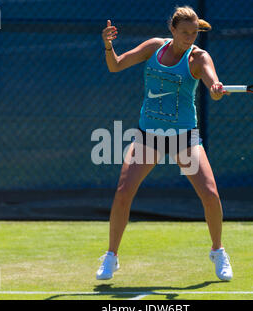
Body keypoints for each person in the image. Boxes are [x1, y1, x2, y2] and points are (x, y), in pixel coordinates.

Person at [97, 6, 233, 281]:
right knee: (123, 192)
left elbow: (213, 85)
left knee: (210, 195)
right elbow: (116, 65)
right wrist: (108, 46)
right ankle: (111, 256)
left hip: (184, 138)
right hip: (149, 136)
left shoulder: (198, 58)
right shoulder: (154, 48)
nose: (190, 38)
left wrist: (216, 88)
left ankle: (218, 251)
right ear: (172, 30)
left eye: (194, 33)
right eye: (185, 33)